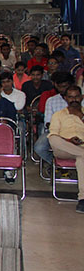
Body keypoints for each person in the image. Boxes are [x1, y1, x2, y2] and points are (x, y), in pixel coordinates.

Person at [46, 86, 84, 214]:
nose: (74, 100)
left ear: (81, 97)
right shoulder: (58, 115)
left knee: (81, 159)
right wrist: (68, 140)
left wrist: (81, 117)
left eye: (77, 96)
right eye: (71, 97)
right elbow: (53, 133)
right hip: (64, 148)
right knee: (53, 139)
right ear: (66, 98)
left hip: (81, 149)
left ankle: (83, 199)